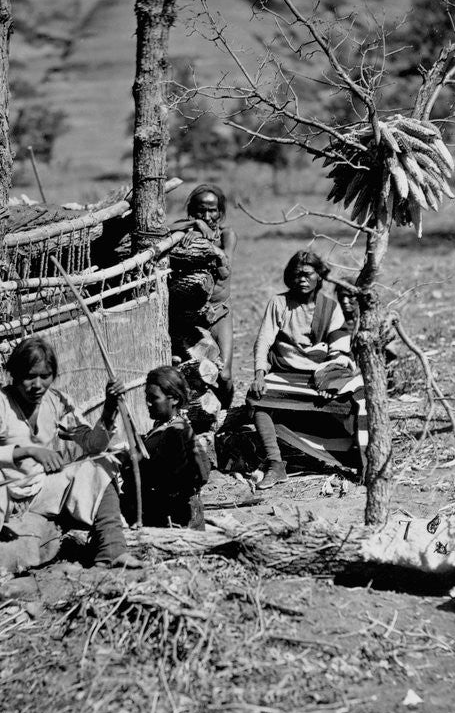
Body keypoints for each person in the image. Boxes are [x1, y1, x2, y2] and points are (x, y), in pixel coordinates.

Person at [0, 336, 142, 588]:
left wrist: (110, 409)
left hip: (41, 490)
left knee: (100, 464)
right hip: (6, 499)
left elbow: (93, 444)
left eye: (45, 376)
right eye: (29, 377)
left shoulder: (56, 400)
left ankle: (112, 550)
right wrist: (28, 451)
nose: (37, 385)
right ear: (14, 374)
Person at [247, 250, 356, 489]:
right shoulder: (279, 303)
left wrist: (331, 380)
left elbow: (339, 349)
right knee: (257, 398)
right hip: (285, 372)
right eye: (297, 275)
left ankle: (350, 457)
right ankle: (276, 463)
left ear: (320, 276)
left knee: (354, 400)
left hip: (320, 375)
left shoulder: (330, 308)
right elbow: (264, 340)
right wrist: (259, 374)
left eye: (308, 274)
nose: (302, 280)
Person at [169, 184, 238, 408]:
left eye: (212, 210)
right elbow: (162, 230)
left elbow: (225, 270)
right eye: (201, 211)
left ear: (220, 212)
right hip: (190, 317)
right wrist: (195, 226)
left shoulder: (227, 235)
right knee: (193, 371)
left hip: (219, 313)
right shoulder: (186, 232)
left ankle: (226, 413)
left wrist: (212, 248)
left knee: (224, 374)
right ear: (192, 211)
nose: (207, 216)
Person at [120, 366, 211, 528]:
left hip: (175, 521)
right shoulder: (165, 425)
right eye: (147, 397)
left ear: (174, 399)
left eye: (154, 398)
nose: (148, 403)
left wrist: (134, 459)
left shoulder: (176, 433)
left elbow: (175, 477)